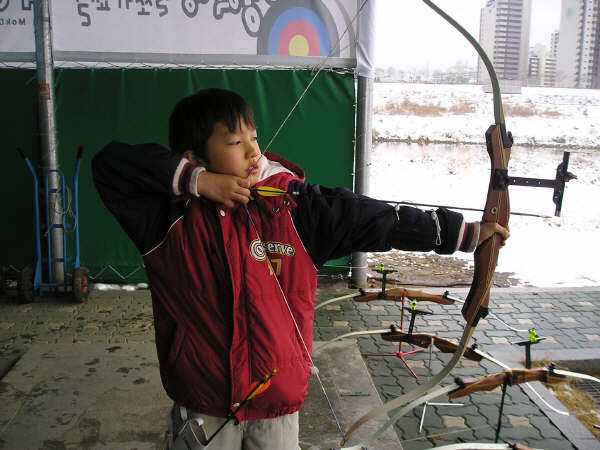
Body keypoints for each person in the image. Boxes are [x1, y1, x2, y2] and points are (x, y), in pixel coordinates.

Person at [92, 88, 509, 450]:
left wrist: (462, 234)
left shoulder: (295, 208)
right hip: (202, 400)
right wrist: (199, 182)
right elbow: (109, 165)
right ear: (194, 157)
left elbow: (376, 219)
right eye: (235, 142)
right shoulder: (168, 217)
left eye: (254, 137)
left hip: (276, 402)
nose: (253, 152)